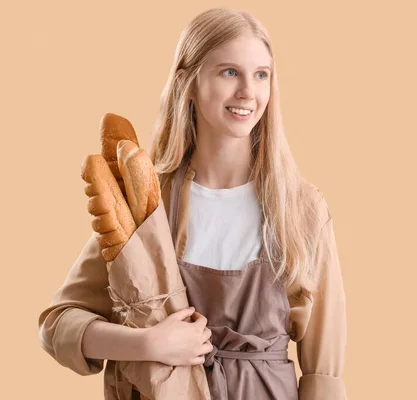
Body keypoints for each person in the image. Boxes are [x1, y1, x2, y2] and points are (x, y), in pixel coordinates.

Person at [38, 7, 347, 400]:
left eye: (261, 75)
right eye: (229, 72)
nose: (248, 93)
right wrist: (148, 345)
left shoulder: (301, 208)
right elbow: (57, 325)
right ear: (188, 82)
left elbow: (324, 374)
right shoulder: (146, 205)